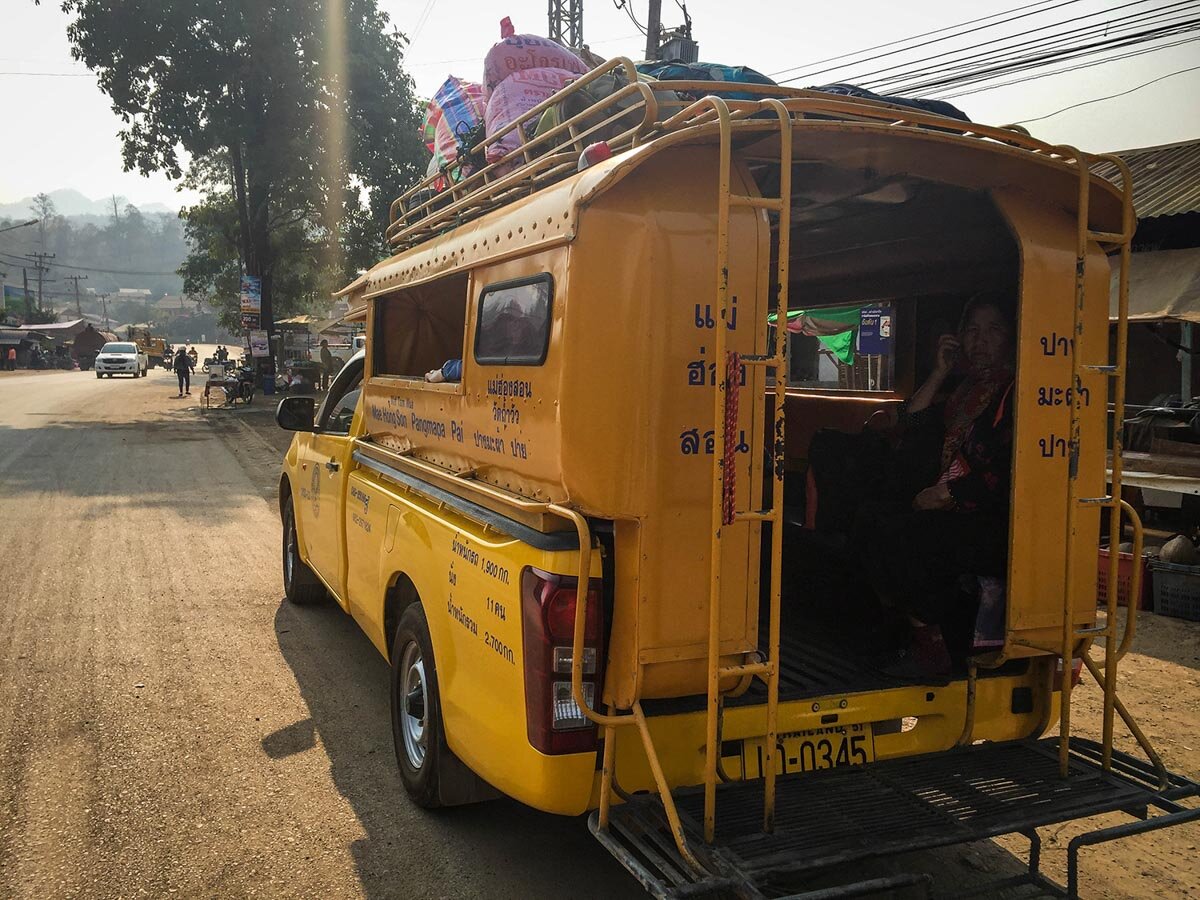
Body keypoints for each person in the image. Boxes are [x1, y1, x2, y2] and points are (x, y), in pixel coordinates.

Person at [864, 293, 1016, 677]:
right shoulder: (963, 392)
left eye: (993, 330)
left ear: (1011, 337)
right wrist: (939, 373)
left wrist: (949, 495)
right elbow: (909, 422)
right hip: (953, 506)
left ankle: (931, 650)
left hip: (996, 520)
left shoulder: (1015, 391)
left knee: (910, 536)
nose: (981, 340)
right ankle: (898, 633)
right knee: (873, 519)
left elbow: (1009, 470)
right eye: (972, 331)